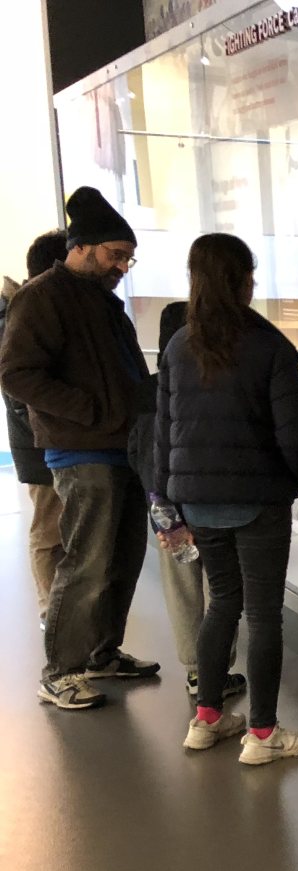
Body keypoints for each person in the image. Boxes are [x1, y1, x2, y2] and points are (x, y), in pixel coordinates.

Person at [155, 233, 298, 764]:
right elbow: (295, 434)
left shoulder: (178, 347)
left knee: (222, 602)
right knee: (264, 614)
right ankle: (263, 734)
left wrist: (168, 497)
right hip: (258, 500)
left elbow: (164, 432)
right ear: (245, 280)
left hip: (197, 500)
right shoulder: (269, 346)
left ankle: (206, 720)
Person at [0, 188, 160, 710]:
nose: (123, 266)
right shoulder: (42, 297)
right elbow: (16, 374)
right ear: (83, 247)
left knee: (123, 559)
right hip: (81, 450)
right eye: (116, 254)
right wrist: (90, 411)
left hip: (123, 448)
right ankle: (61, 672)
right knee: (86, 562)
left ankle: (100, 654)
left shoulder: (103, 302)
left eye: (128, 257)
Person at [126, 300, 246, 702]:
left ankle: (197, 671)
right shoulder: (210, 383)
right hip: (208, 503)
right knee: (221, 588)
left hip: (164, 508)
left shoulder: (147, 390)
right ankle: (216, 671)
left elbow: (139, 454)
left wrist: (161, 515)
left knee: (182, 589)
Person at [1, 230, 69, 622]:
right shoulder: (20, 314)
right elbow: (19, 392)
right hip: (40, 444)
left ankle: (63, 609)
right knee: (48, 530)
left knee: (60, 530)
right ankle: (50, 612)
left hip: (53, 441)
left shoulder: (32, 308)